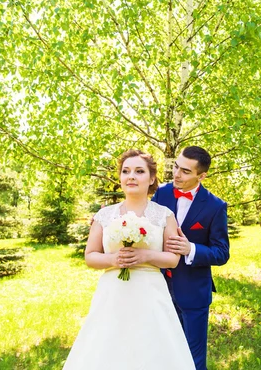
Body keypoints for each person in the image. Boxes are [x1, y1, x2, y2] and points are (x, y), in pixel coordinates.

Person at [63, 149, 195, 370]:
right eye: (126, 171)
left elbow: (172, 260)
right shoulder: (104, 215)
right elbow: (90, 256)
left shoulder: (164, 215)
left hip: (150, 293)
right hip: (113, 292)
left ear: (151, 178)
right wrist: (114, 260)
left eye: (139, 171)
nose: (131, 176)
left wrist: (146, 256)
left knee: (151, 348)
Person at [151, 146, 230, 370]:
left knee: (193, 360)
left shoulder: (216, 206)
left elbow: (222, 252)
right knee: (162, 353)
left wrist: (191, 249)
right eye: (176, 167)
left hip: (194, 293)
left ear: (201, 176)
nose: (177, 174)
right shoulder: (162, 194)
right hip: (157, 288)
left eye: (185, 171)